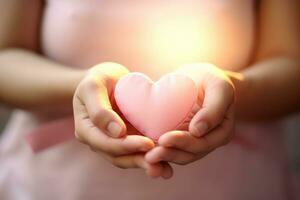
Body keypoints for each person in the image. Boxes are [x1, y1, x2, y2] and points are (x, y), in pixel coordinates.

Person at [0, 0, 299, 199]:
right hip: (55, 186)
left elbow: (291, 68)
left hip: (233, 186)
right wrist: (80, 87)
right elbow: (5, 56)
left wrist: (229, 89)